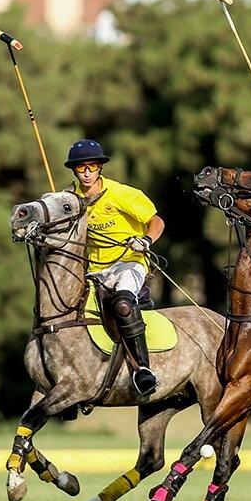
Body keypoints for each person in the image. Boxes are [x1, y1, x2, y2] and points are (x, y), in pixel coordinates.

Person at [65, 138, 166, 396]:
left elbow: (156, 222)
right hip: (93, 269)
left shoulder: (122, 194)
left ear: (100, 167)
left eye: (92, 166)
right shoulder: (69, 198)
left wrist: (145, 240)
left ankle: (143, 369)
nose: (87, 172)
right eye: (81, 168)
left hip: (128, 262)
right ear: (74, 170)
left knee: (122, 303)